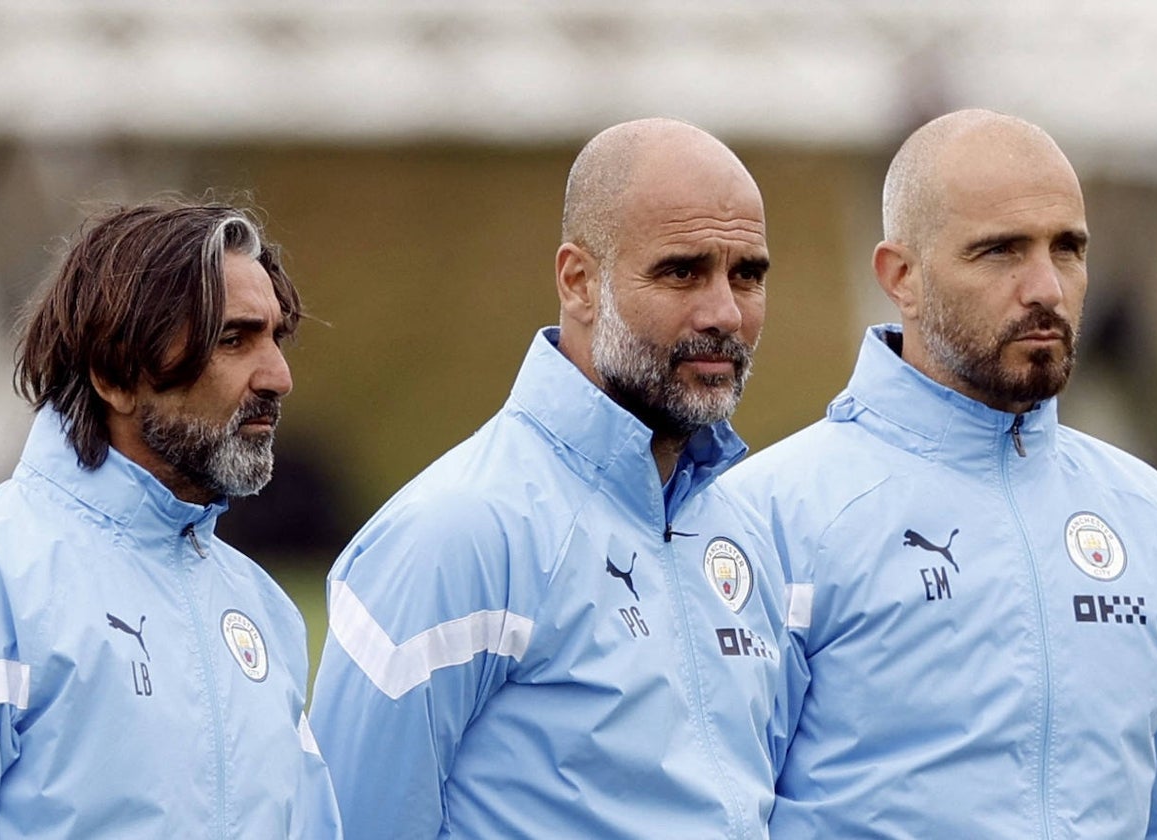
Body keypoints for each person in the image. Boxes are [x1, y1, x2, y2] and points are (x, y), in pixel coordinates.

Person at [309, 118, 808, 839]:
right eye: (681, 271)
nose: (725, 312)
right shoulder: (456, 532)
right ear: (579, 282)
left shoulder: (742, 535)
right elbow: (351, 823)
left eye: (748, 275)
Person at [725, 108, 1157, 837]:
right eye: (1001, 251)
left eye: (1067, 249)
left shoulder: (1150, 515)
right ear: (900, 276)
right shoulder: (764, 518)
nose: (1047, 289)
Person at [0, 201, 342, 838]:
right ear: (115, 375)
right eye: (234, 338)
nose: (279, 377)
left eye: (275, 339)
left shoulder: (267, 610)